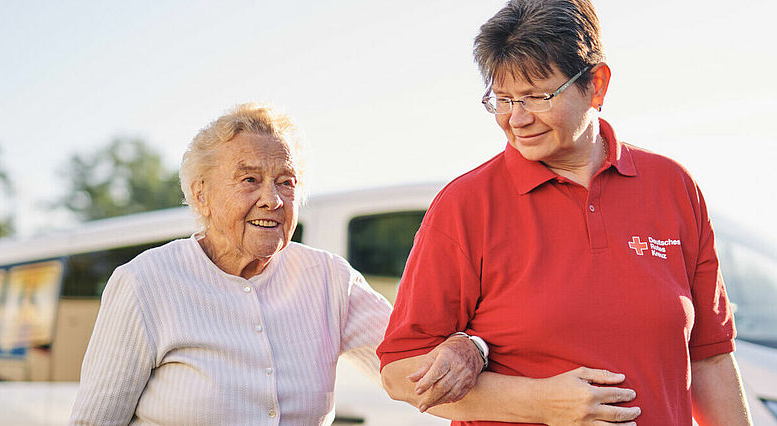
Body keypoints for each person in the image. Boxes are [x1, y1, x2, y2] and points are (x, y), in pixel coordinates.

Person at [377, 0, 753, 425]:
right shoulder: (465, 205)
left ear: (597, 84)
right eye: (502, 99)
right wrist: (541, 402)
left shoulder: (673, 186)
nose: (516, 118)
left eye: (537, 97)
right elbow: (398, 372)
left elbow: (710, 359)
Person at [69, 103, 483, 425]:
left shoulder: (330, 280)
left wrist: (470, 346)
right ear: (201, 196)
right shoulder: (145, 283)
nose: (274, 199)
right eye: (249, 179)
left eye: (286, 181)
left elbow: (416, 365)